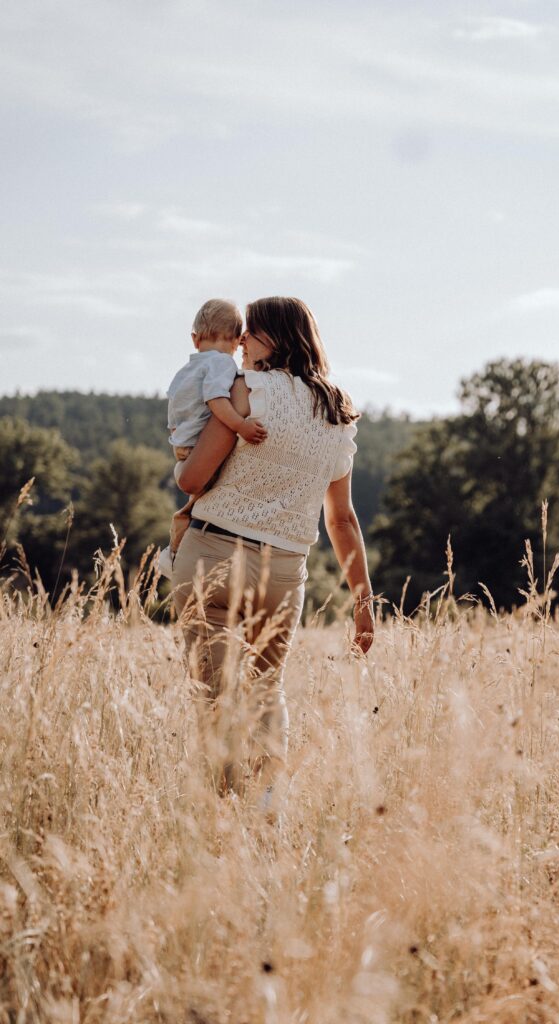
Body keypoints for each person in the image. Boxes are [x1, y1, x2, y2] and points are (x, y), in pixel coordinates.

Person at [171, 296, 374, 802]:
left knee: (213, 700)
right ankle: (266, 814)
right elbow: (342, 519)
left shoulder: (245, 390)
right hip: (284, 571)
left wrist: (183, 460)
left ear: (275, 339)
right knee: (266, 691)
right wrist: (364, 602)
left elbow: (193, 479)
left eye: (250, 333)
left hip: (212, 556)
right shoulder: (337, 412)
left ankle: (223, 818)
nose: (240, 343)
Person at [159, 299, 268, 577]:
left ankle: (177, 554)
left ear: (195, 339)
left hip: (183, 445)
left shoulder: (186, 369)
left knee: (197, 503)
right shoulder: (222, 364)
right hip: (199, 447)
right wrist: (241, 425)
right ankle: (176, 554)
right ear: (237, 341)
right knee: (199, 508)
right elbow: (216, 400)